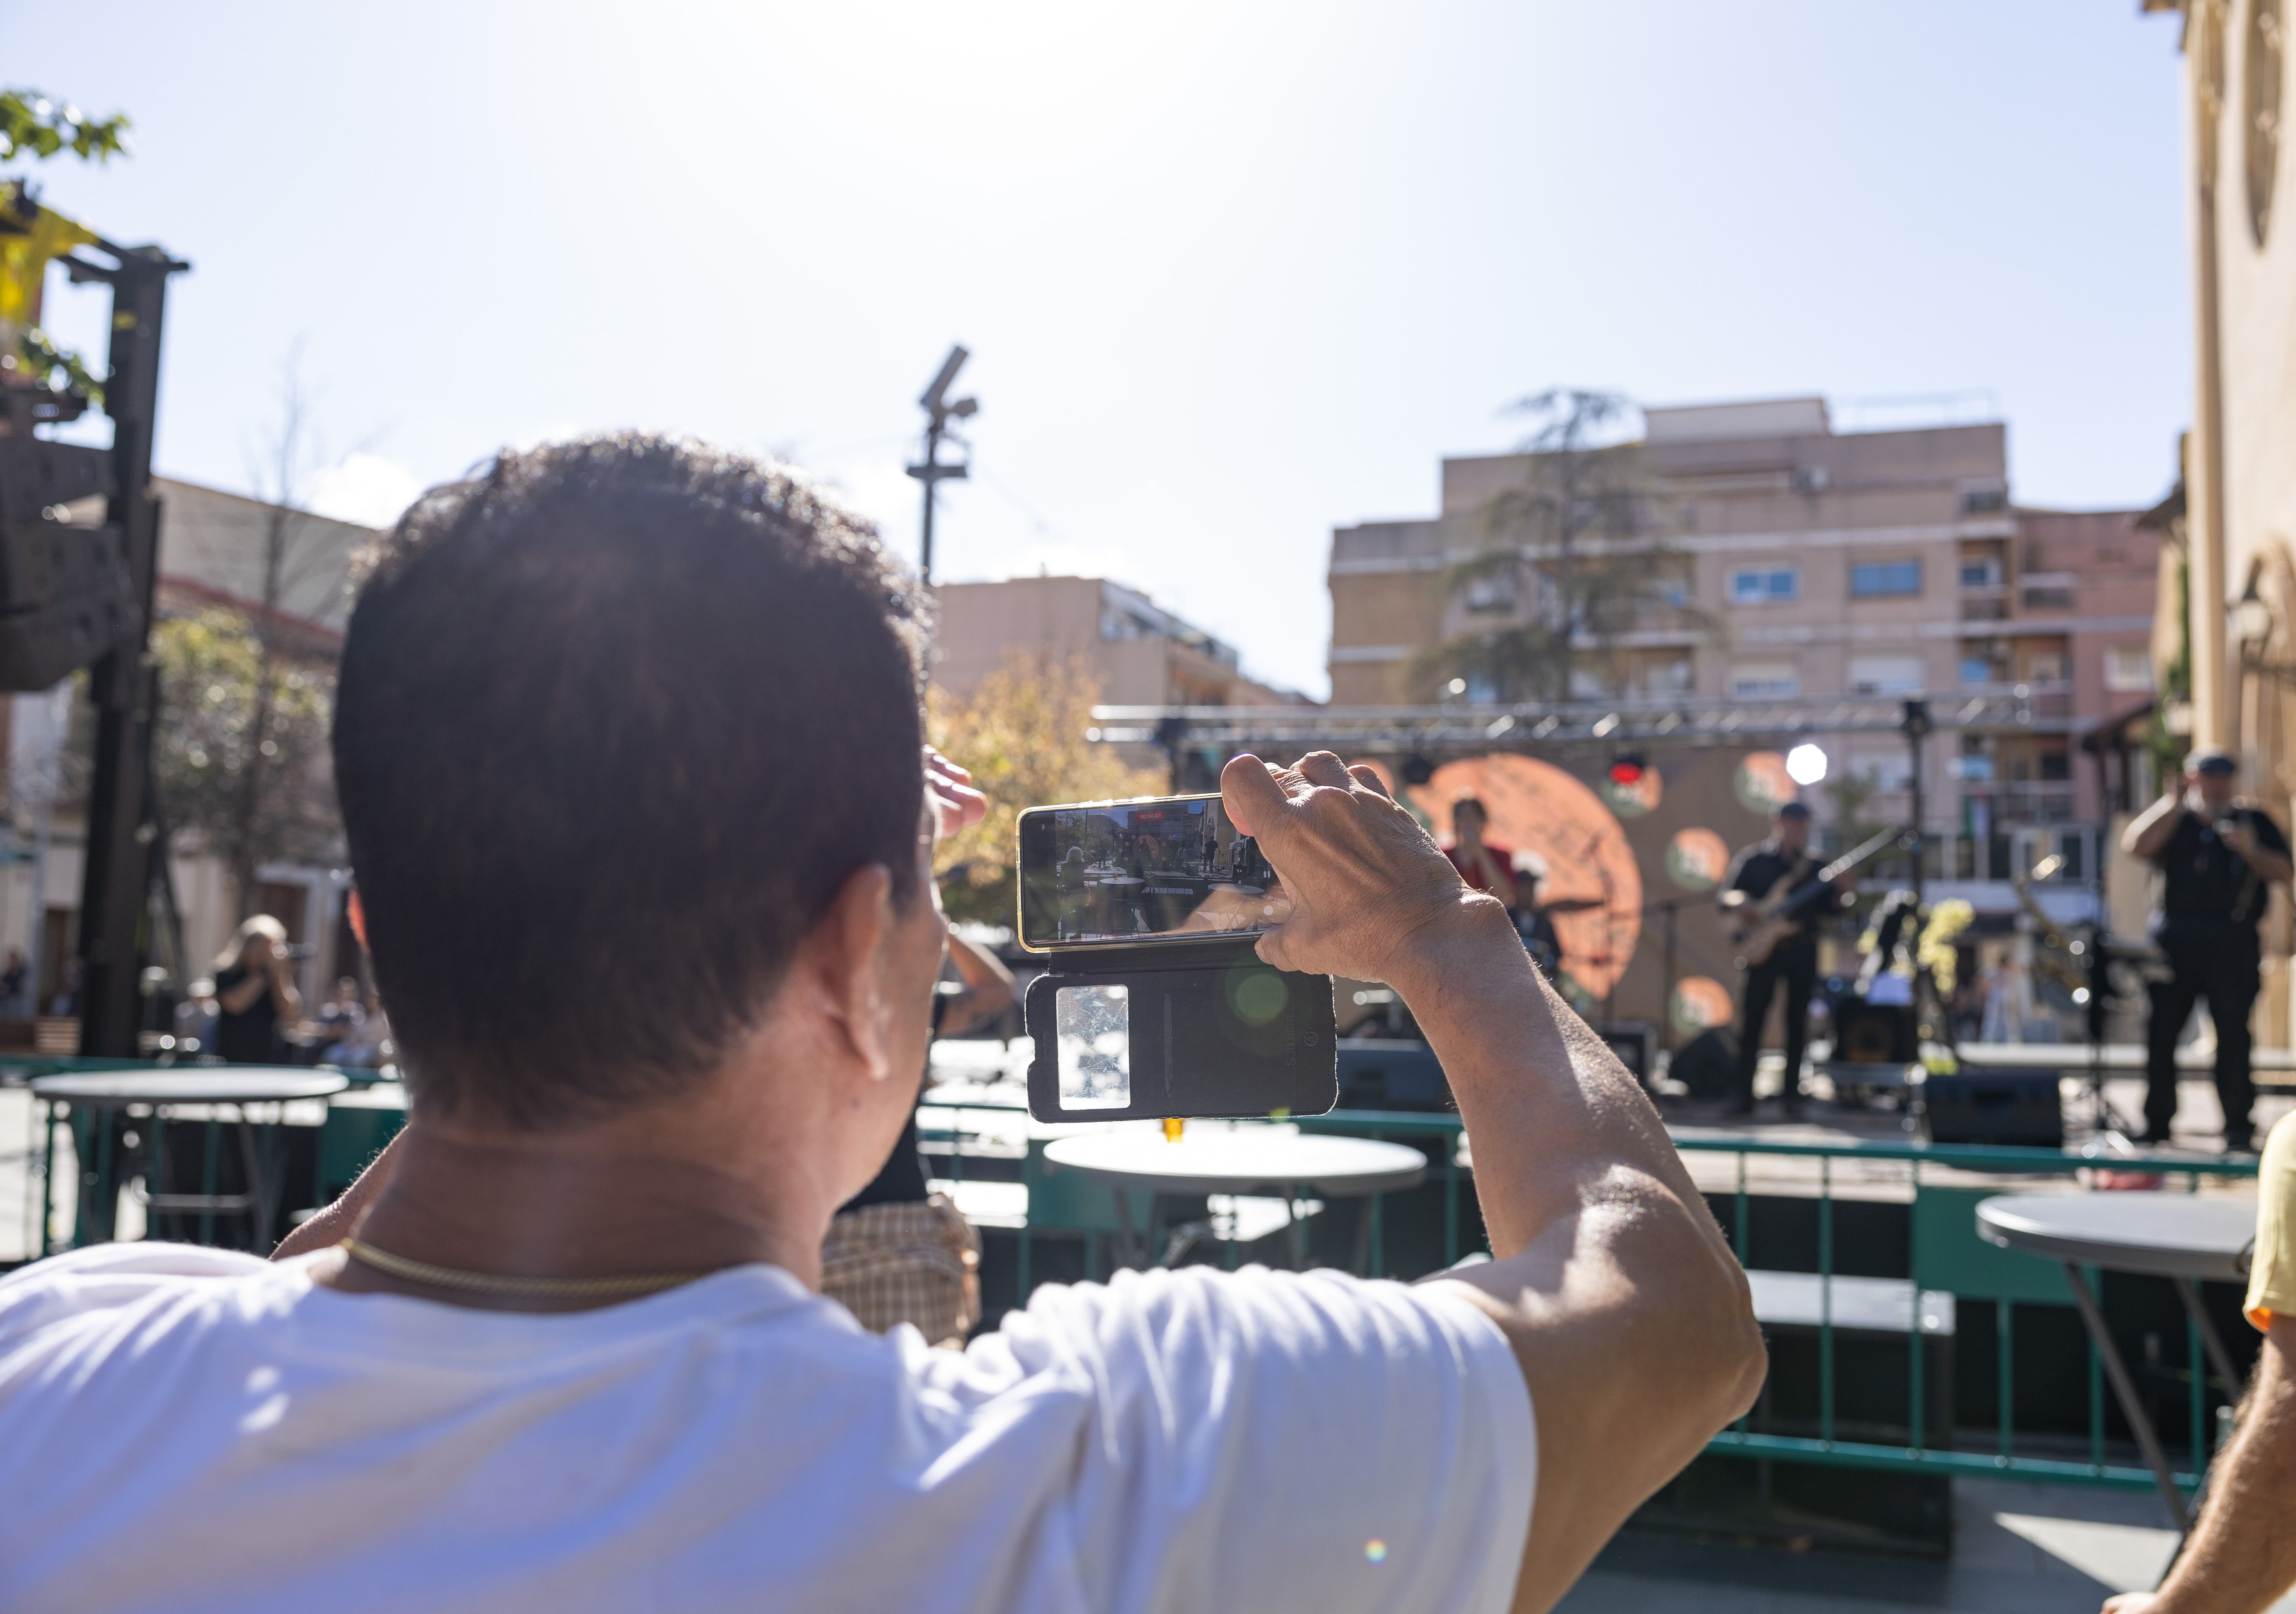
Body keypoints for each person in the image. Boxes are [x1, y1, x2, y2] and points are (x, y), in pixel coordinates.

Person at [0, 437, 1763, 1614]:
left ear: (380, 943)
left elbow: (307, 1280)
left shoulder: (58, 1364)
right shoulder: (1117, 1478)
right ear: (862, 955)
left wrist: (525, 948)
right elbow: (1665, 1313)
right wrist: (1447, 936)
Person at [2104, 773, 2296, 1614]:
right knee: (2171, 1048)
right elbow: (2139, 846)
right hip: (2185, 941)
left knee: (2233, 1050)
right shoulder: (2179, 823)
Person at [819, 899, 1017, 1348]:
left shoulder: (797, 1022)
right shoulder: (910, 1014)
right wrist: (941, 930)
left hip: (827, 1228)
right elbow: (995, 988)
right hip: (906, 1226)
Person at [2121, 747, 2294, 1151]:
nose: (2216, 787)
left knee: (2233, 1036)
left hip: (2233, 940)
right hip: (2175, 940)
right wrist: (2171, 803)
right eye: (2207, 779)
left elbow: (2285, 872)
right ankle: (2157, 1123)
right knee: (2161, 1034)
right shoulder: (2175, 820)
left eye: (2222, 779)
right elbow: (2136, 846)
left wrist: (2251, 849)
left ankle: (2237, 1126)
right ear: (2192, 780)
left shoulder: (2253, 821)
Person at [1718, 801, 1848, 1118]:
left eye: (1802, 824)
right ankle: (1744, 1097)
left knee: (1797, 1024)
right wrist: (1743, 903)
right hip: (1764, 952)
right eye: (1792, 823)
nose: (1797, 830)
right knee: (1753, 1022)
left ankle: (1792, 1098)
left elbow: (1834, 910)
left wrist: (1846, 892)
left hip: (1802, 948)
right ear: (1778, 823)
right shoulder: (1755, 860)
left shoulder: (1819, 867)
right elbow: (1728, 895)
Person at [212, 916, 301, 1064]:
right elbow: (235, 1005)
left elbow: (289, 1013)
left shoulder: (276, 977)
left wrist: (279, 978)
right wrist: (264, 974)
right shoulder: (226, 974)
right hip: (233, 1055)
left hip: (267, 1056)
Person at [1446, 795, 1519, 904]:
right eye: (1462, 817)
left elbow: (1503, 893)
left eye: (1473, 817)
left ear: (1482, 820)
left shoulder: (1501, 855)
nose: (1468, 823)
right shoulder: (1444, 855)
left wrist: (1482, 856)